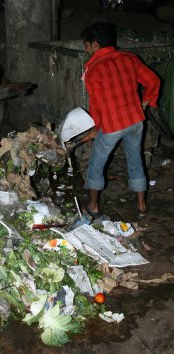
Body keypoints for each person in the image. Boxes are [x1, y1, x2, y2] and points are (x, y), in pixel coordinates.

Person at [80, 22, 160, 218]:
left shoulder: (94, 70)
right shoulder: (129, 58)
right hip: (135, 121)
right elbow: (153, 81)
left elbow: (96, 105)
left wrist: (95, 128)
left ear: (95, 45)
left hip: (113, 124)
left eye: (86, 45)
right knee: (135, 159)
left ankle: (93, 206)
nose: (86, 49)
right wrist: (145, 102)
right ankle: (141, 205)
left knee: (97, 163)